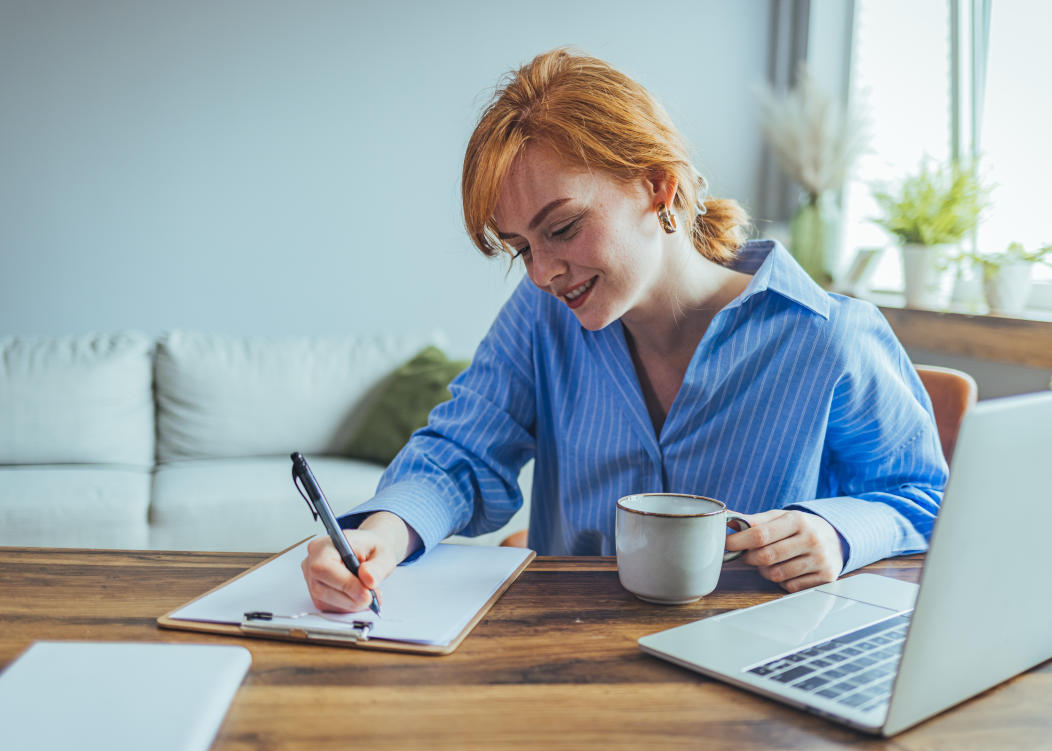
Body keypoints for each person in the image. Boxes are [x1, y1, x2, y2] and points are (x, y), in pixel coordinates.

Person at [301, 48, 947, 613]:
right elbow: (461, 455)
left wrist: (836, 532)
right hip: (571, 670)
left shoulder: (827, 337)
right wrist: (382, 533)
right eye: (521, 248)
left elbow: (925, 495)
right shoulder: (540, 323)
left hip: (752, 677)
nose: (543, 274)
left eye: (561, 229)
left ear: (659, 187)